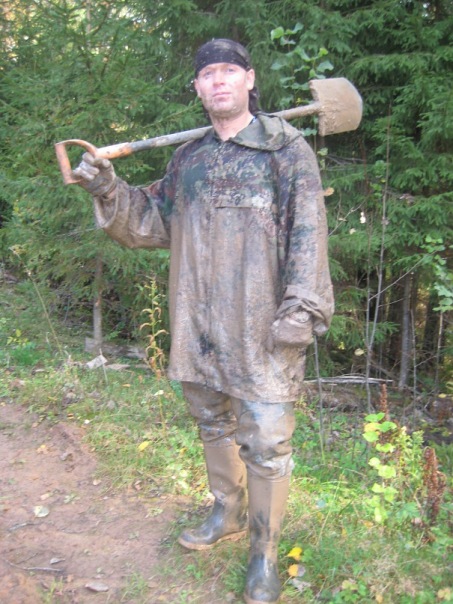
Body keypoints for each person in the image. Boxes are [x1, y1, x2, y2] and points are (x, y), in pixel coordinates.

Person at [73, 38, 334, 604]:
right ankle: (228, 511)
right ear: (197, 87)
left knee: (266, 440)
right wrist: (107, 187)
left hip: (263, 326)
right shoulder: (188, 159)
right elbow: (151, 221)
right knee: (212, 421)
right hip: (199, 320)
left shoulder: (284, 150)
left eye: (229, 71)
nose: (218, 81)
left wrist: (302, 308)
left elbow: (309, 233)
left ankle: (264, 554)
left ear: (249, 80)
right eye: (207, 74)